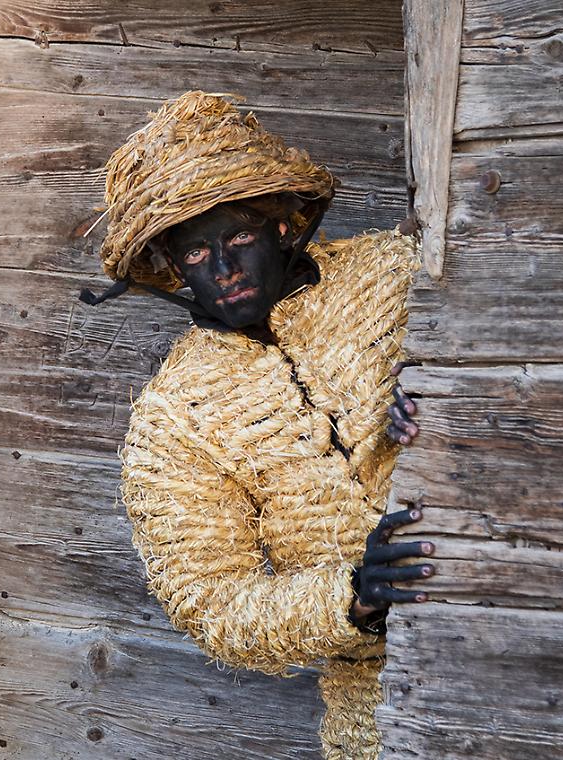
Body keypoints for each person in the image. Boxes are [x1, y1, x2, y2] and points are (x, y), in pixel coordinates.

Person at [82, 91, 433, 760]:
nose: (221, 270)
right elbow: (211, 602)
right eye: (194, 255)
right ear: (170, 265)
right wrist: (350, 599)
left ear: (279, 227)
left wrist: (443, 405)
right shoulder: (175, 418)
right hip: (377, 717)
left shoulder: (394, 277)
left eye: (238, 238)